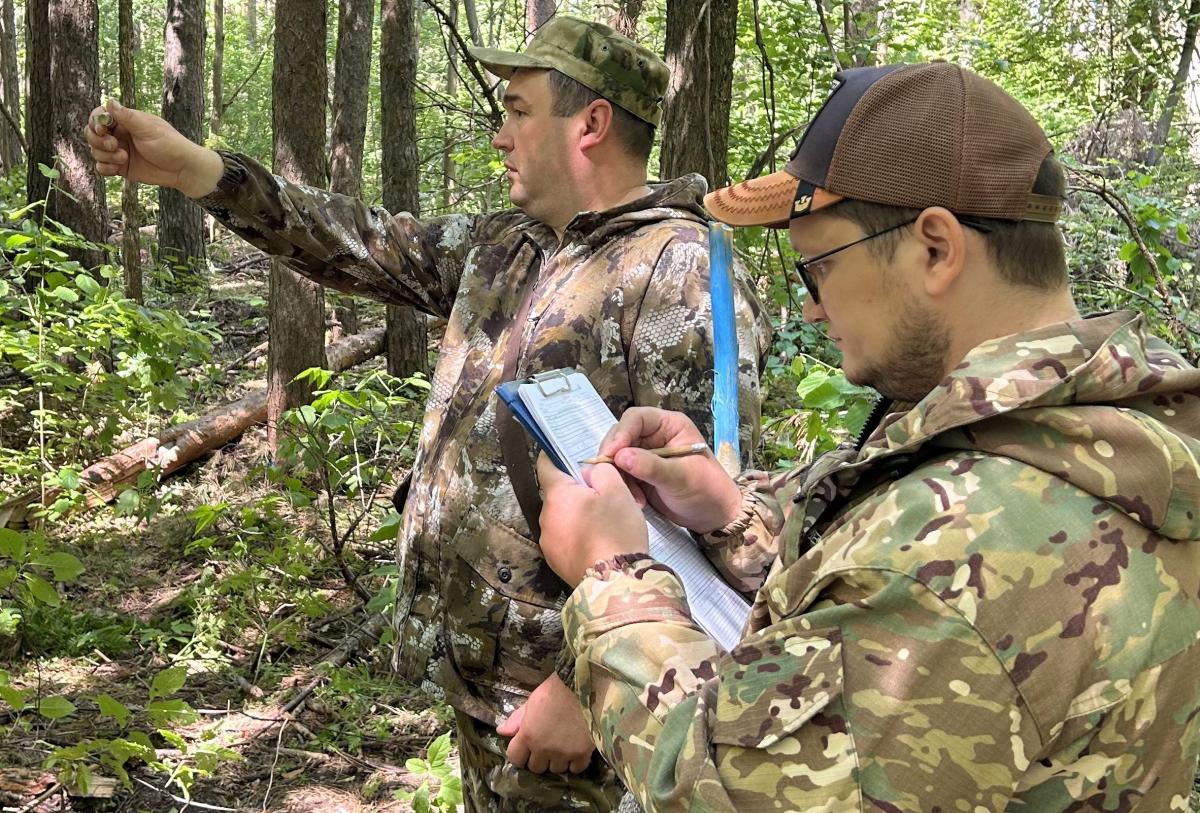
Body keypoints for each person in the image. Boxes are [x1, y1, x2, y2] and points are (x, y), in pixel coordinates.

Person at [86, 16, 771, 811]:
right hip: (482, 686)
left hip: (584, 718)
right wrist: (197, 171)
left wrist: (588, 687)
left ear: (591, 124)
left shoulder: (678, 267)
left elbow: (710, 521)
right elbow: (359, 240)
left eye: (518, 110)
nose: (499, 135)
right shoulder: (508, 245)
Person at [536, 61, 1200, 811]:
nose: (812, 310)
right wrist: (730, 512)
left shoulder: (936, 563)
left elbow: (722, 788)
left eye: (816, 268)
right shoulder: (1117, 427)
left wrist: (612, 575)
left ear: (936, 249)